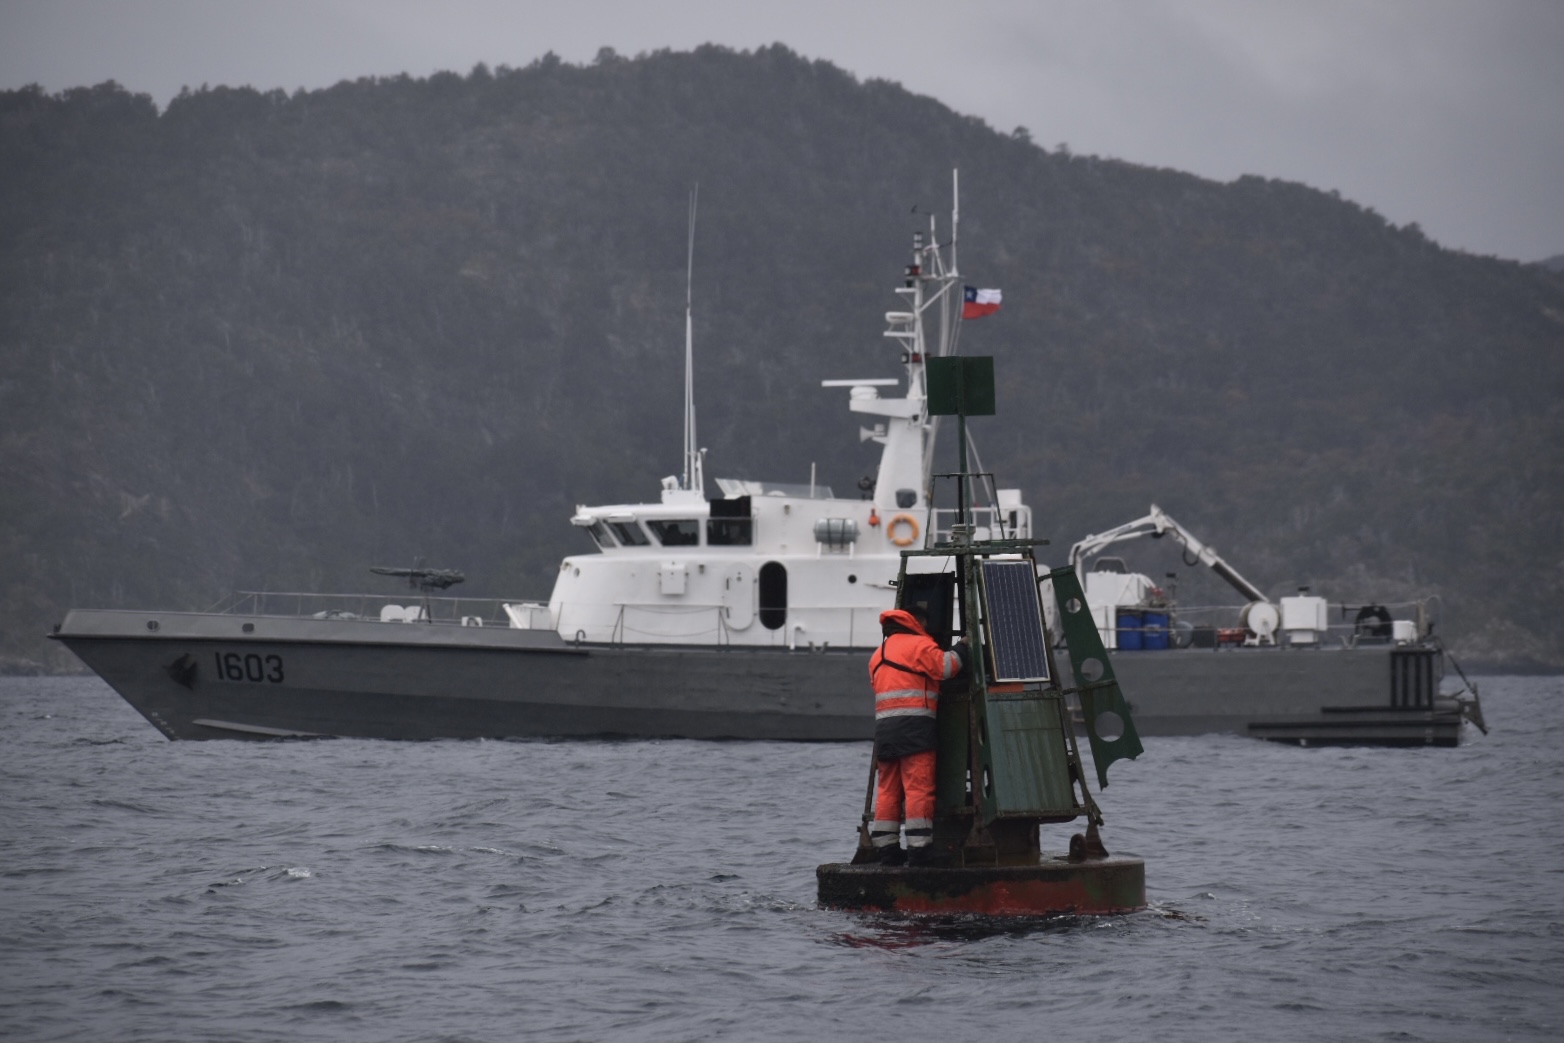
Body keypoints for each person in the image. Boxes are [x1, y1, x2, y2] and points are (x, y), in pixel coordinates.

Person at [868, 605, 966, 866]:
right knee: (918, 788)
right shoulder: (919, 645)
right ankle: (919, 850)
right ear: (917, 623)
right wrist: (963, 647)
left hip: (885, 731)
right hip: (915, 728)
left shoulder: (878, 654)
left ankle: (886, 850)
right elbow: (947, 667)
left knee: (888, 789)